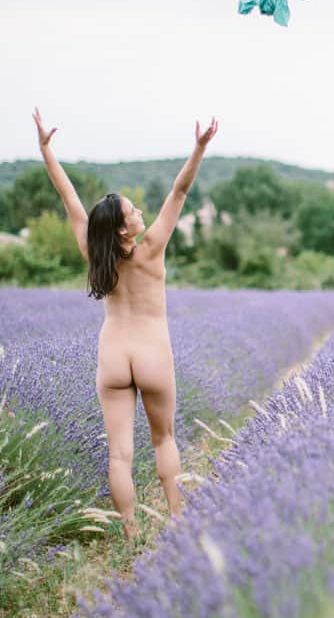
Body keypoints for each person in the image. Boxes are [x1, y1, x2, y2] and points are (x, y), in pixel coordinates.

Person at [33, 107, 219, 538]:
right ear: (123, 229)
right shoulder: (151, 247)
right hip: (152, 351)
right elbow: (180, 190)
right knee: (164, 439)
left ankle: (131, 535)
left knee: (119, 455)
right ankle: (177, 522)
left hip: (114, 356)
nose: (140, 213)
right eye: (133, 212)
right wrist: (199, 148)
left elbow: (68, 197)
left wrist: (45, 150)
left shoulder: (93, 250)